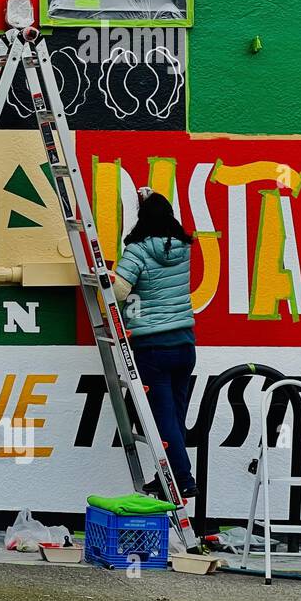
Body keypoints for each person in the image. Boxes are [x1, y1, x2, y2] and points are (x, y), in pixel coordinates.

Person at [112, 188, 198, 500]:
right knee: (174, 418)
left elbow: (120, 292)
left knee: (161, 422)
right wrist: (149, 196)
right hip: (185, 345)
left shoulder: (137, 251)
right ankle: (167, 478)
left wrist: (103, 276)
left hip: (153, 347)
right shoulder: (182, 247)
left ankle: (183, 480)